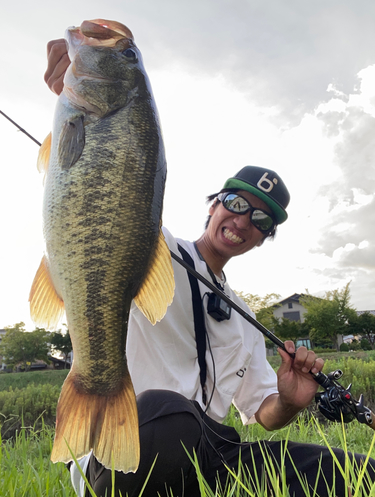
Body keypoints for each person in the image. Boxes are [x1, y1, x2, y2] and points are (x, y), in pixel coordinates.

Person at [45, 40, 375, 497]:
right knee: (171, 412)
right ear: (214, 204)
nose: (241, 221)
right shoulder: (152, 247)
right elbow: (106, 199)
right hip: (135, 443)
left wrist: (291, 402)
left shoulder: (245, 321)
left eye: (260, 220)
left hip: (211, 454)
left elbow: (263, 412)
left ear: (263, 238)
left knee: (355, 470)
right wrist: (77, 102)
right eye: (236, 203)